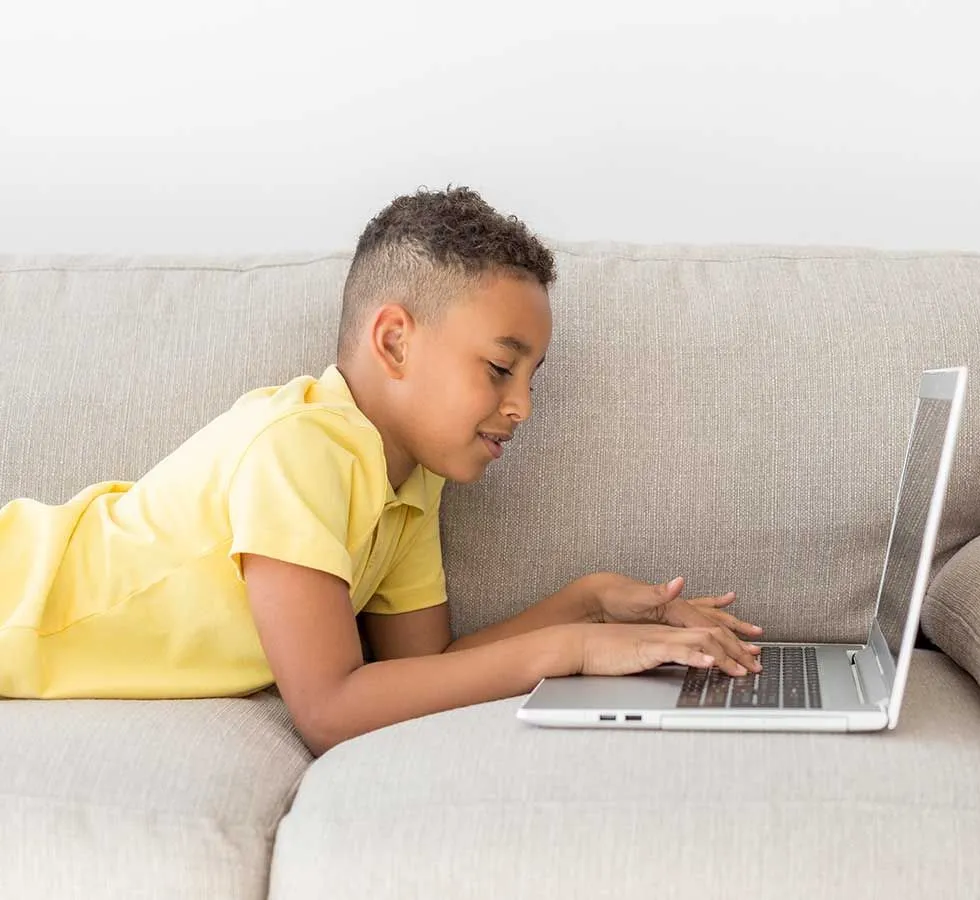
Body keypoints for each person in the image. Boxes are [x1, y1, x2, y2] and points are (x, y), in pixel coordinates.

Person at [0, 187, 762, 754]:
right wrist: (573, 651)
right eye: (500, 368)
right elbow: (331, 711)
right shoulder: (301, 449)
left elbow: (423, 673)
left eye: (533, 379)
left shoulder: (409, 481)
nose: (522, 406)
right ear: (394, 342)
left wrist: (588, 605)